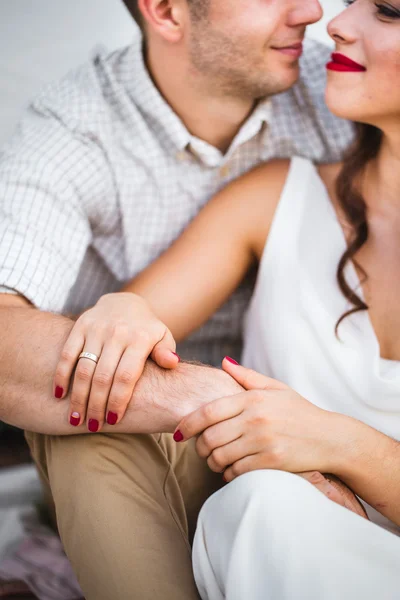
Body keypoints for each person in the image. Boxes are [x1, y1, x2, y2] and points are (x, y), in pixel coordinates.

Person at [0, 0, 354, 598]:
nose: (312, 11)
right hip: (160, 425)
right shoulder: (74, 130)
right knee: (93, 407)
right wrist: (220, 397)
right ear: (166, 11)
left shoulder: (343, 86)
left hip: (321, 422)